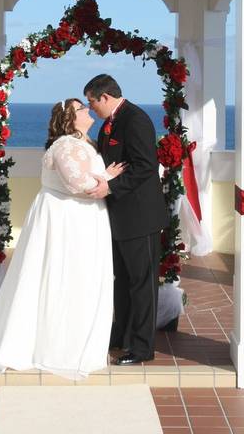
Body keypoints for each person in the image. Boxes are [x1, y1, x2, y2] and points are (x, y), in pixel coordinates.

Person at [0, 98, 125, 380]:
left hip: (80, 219)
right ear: (69, 119)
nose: (88, 111)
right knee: (63, 275)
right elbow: (76, 184)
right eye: (81, 109)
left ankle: (74, 339)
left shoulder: (82, 143)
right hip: (68, 220)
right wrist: (108, 176)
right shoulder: (66, 145)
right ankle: (56, 345)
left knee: (79, 277)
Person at [84, 74, 170, 365]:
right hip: (120, 216)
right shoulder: (111, 124)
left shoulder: (135, 119)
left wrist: (111, 186)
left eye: (92, 102)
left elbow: (146, 166)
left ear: (105, 97)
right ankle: (120, 335)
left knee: (142, 284)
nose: (91, 108)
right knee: (122, 281)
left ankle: (143, 348)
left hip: (140, 216)